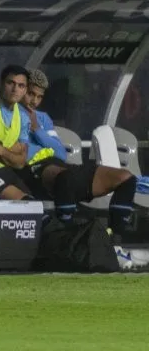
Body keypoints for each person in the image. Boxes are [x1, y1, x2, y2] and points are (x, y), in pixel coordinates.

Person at [20, 68, 135, 250]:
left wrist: (37, 130)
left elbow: (59, 151)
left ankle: (115, 240)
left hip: (60, 165)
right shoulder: (10, 114)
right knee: (65, 178)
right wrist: (40, 146)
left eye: (39, 97)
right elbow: (21, 152)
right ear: (22, 90)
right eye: (30, 94)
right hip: (34, 169)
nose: (34, 101)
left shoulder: (42, 118)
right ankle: (67, 239)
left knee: (126, 178)